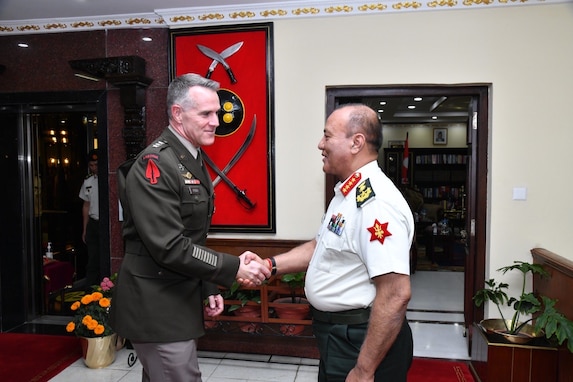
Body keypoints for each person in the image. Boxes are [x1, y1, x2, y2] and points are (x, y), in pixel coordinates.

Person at [109, 73, 270, 382]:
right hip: (156, 304)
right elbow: (168, 245)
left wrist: (208, 286)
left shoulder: (190, 157)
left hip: (176, 298)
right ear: (178, 114)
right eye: (206, 113)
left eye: (216, 112)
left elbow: (192, 236)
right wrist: (234, 267)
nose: (215, 121)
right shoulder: (154, 163)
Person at [262, 104, 415, 381]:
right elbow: (320, 246)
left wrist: (364, 370)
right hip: (340, 337)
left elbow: (395, 294)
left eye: (327, 136)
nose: (320, 144)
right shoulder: (348, 193)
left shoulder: (376, 204)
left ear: (356, 142)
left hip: (361, 341)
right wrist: (269, 265)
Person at [78, 149, 101, 287]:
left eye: (97, 164)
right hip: (93, 223)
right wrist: (85, 228)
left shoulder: (111, 180)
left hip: (105, 223)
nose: (94, 168)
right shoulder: (88, 181)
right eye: (92, 165)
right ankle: (91, 289)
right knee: (92, 259)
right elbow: (86, 206)